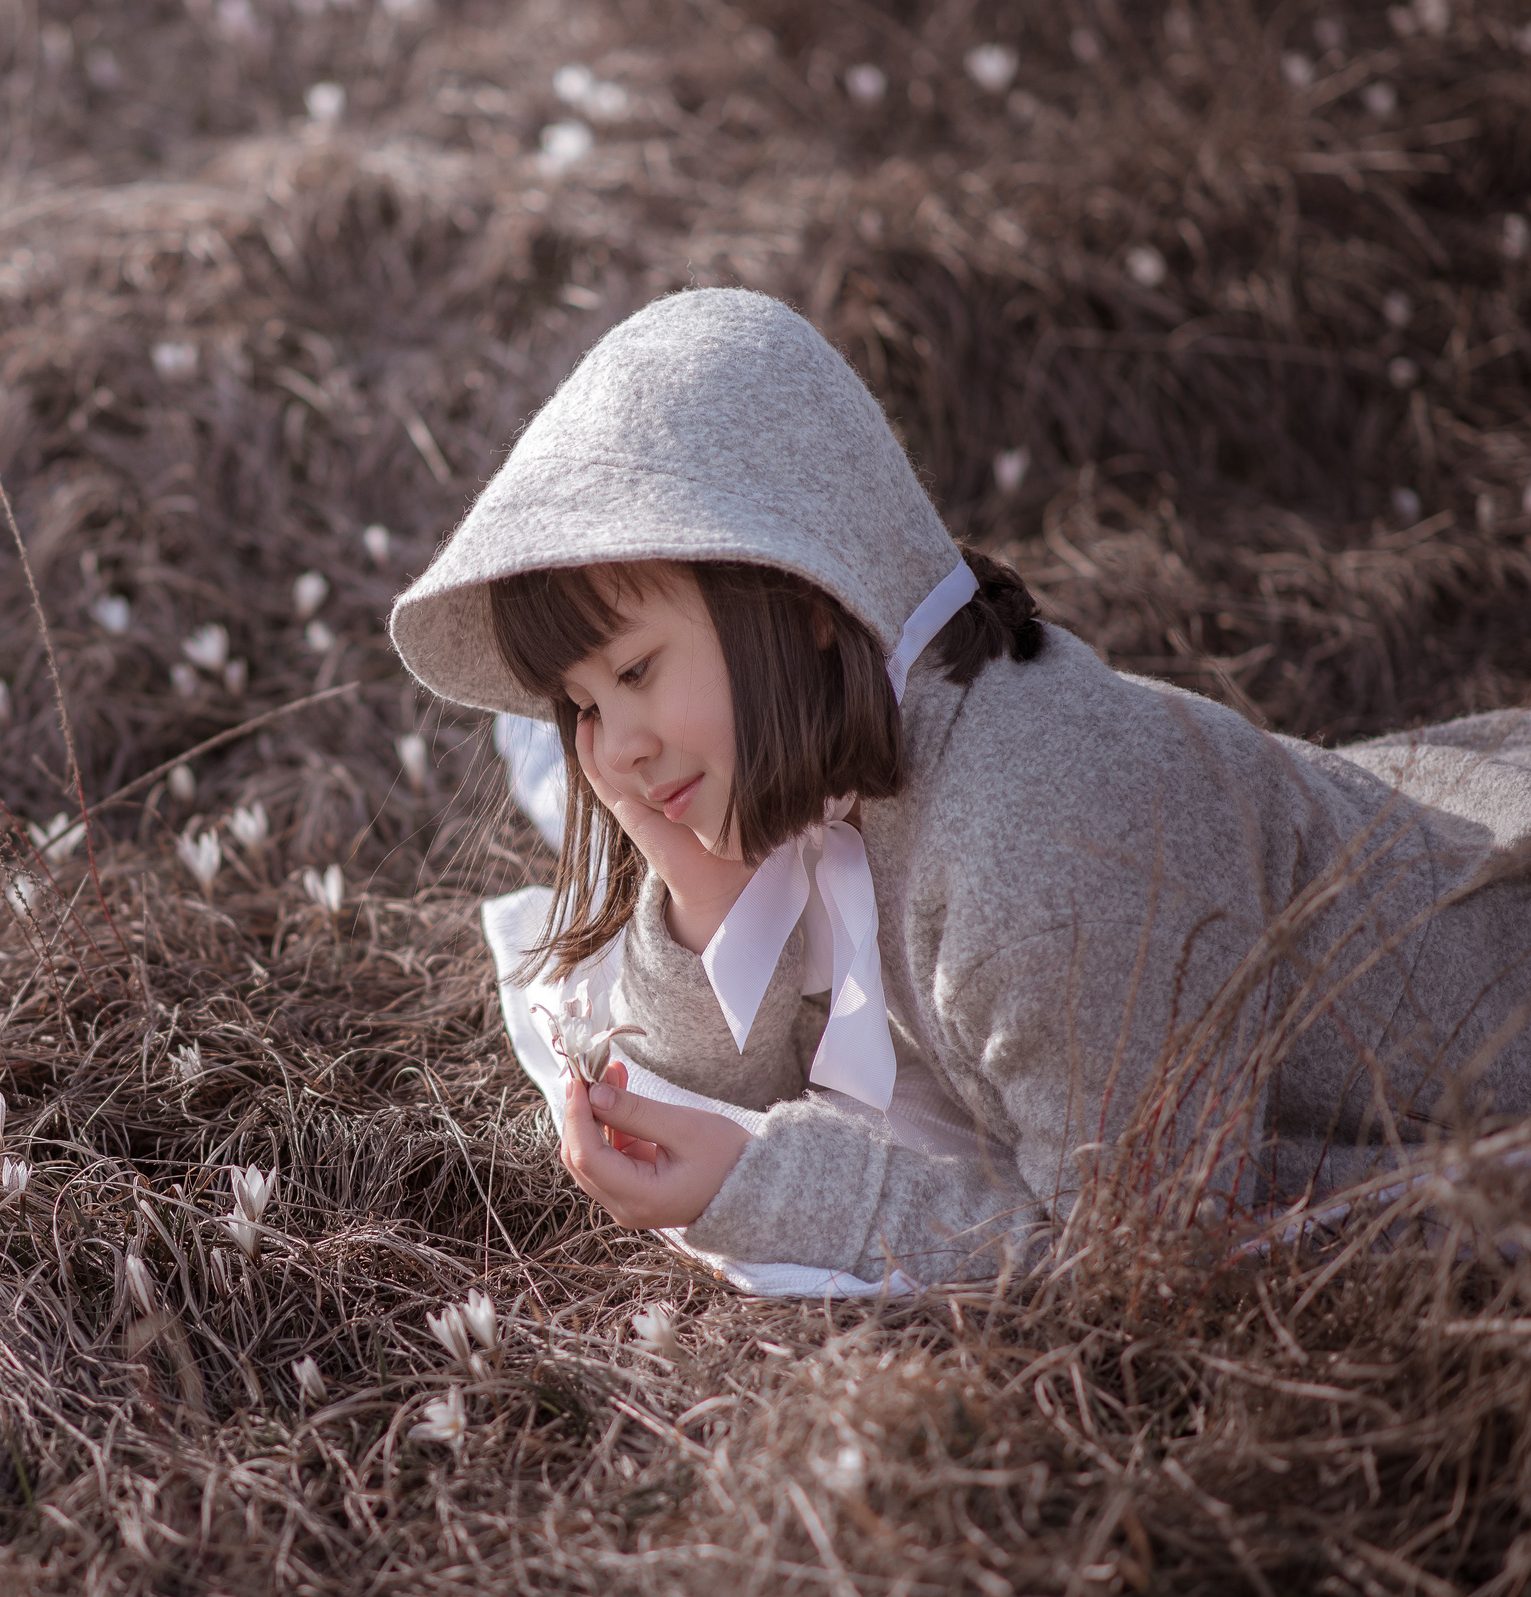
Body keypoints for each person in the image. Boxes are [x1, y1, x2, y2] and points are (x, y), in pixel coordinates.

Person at [389, 288, 1531, 1284]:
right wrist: (702, 892)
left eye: (637, 670)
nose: (611, 751)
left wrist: (768, 1185)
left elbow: (1146, 1247)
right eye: (582, 704)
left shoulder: (1033, 841)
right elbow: (718, 1075)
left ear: (803, 600)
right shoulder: (834, 759)